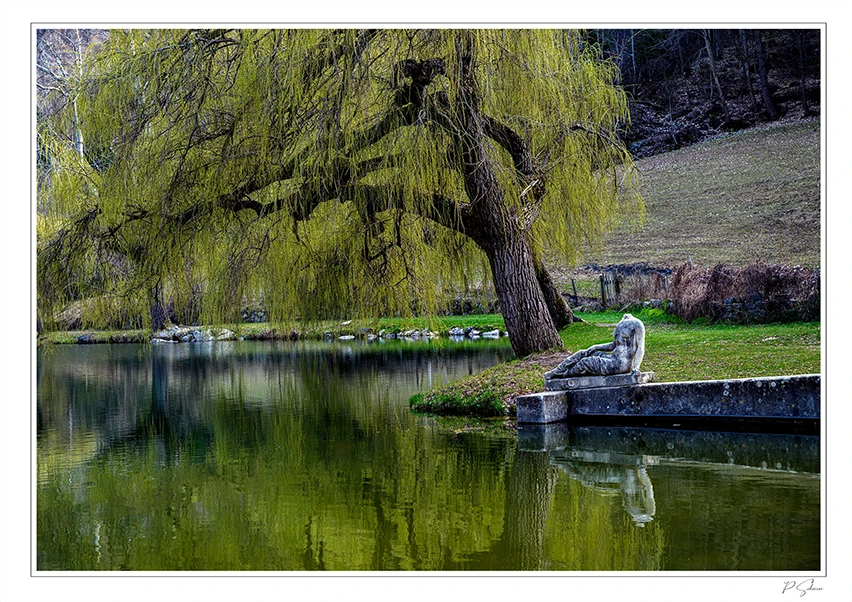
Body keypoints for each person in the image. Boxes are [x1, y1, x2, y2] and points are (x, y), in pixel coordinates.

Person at [545, 313, 645, 379]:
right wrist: (595, 347)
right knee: (583, 353)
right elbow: (613, 345)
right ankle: (556, 372)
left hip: (621, 365)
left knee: (585, 362)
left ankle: (563, 375)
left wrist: (636, 367)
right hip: (612, 359)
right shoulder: (621, 324)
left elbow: (640, 347)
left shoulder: (637, 324)